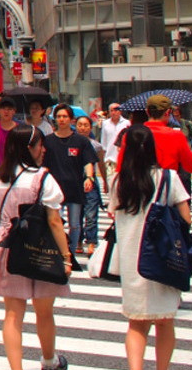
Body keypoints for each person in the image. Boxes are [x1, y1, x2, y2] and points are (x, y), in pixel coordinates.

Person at [0, 125, 72, 370]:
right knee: (44, 312)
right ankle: (49, 362)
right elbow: (54, 221)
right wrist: (66, 257)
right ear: (30, 147)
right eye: (39, 144)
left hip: (8, 245)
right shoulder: (43, 178)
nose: (43, 149)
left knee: (13, 314)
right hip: (40, 246)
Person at [111, 125, 189, 370]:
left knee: (137, 323)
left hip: (133, 261)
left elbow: (114, 213)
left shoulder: (119, 181)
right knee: (165, 322)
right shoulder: (168, 178)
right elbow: (186, 219)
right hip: (164, 259)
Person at [41, 104, 98, 259]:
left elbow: (88, 162)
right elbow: (43, 164)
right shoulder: (48, 141)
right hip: (54, 189)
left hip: (75, 187)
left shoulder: (81, 141)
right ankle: (58, 251)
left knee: (75, 225)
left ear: (71, 119)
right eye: (58, 116)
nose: (61, 119)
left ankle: (71, 252)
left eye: (65, 116)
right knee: (55, 221)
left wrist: (89, 177)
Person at [75, 115, 105, 255]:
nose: (83, 128)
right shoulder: (71, 142)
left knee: (91, 214)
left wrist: (105, 181)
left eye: (86, 125)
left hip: (91, 182)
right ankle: (78, 241)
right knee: (77, 214)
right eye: (80, 125)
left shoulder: (96, 145)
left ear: (90, 127)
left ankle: (91, 242)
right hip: (75, 182)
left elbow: (101, 164)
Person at [100, 103, 129, 178]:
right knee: (111, 182)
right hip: (110, 159)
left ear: (120, 111)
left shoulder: (127, 123)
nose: (114, 112)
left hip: (122, 159)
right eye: (111, 110)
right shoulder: (105, 123)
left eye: (116, 110)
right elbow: (104, 142)